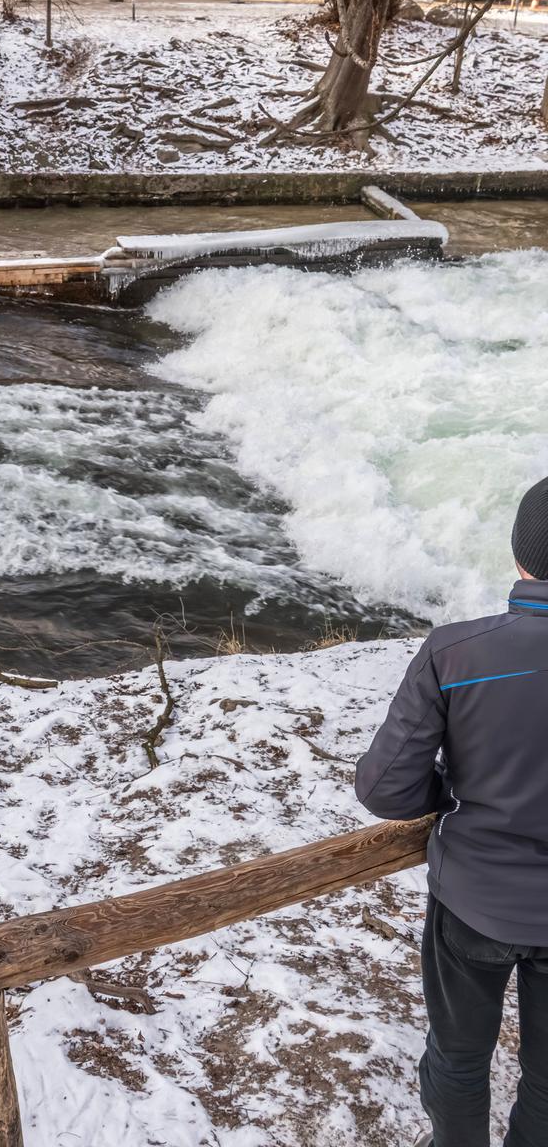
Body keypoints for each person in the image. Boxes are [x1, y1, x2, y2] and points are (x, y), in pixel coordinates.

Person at [356, 477, 548, 1147]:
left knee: (460, 1059)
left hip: (474, 899)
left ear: (520, 557)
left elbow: (385, 788)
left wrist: (449, 792)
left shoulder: (457, 653)